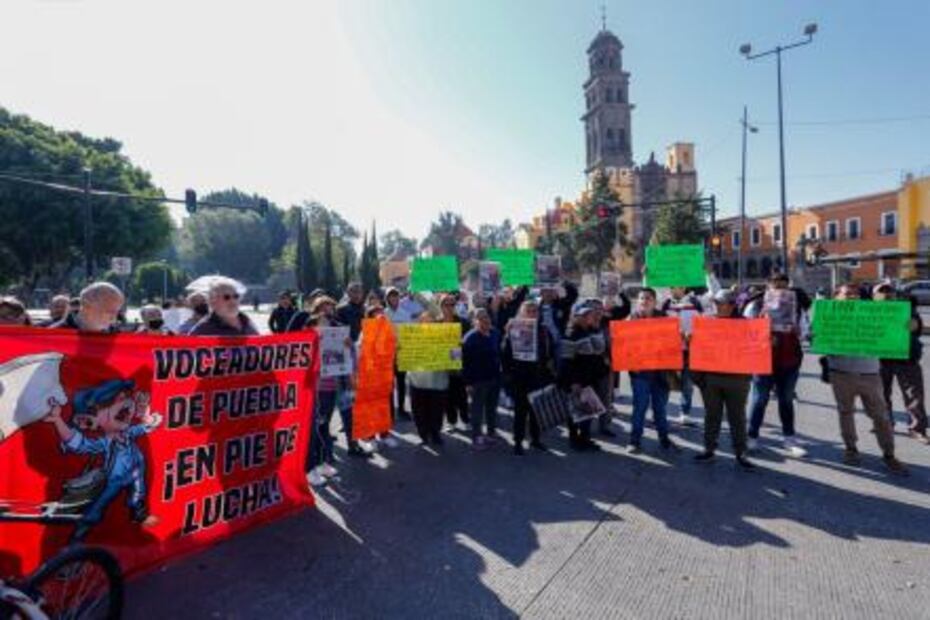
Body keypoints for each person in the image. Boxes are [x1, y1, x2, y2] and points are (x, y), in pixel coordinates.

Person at [825, 284, 908, 475]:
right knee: (846, 412)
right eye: (848, 293)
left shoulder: (872, 313)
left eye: (855, 293)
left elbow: (895, 332)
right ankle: (851, 449)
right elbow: (814, 338)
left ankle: (889, 455)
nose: (853, 295)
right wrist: (816, 336)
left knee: (881, 416)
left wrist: (907, 326)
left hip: (871, 373)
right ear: (836, 296)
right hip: (841, 373)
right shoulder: (827, 314)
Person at [691, 290, 754, 469]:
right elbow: (699, 349)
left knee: (737, 417)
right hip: (711, 379)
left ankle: (741, 452)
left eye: (720, 303)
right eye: (716, 303)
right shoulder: (708, 323)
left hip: (737, 380)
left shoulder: (745, 325)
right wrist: (699, 378)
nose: (717, 306)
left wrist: (767, 341)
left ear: (732, 305)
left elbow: (756, 347)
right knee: (712, 416)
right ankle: (709, 449)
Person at [745, 273, 806, 457]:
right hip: (763, 360)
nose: (779, 289)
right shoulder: (754, 305)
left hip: (789, 361)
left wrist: (799, 331)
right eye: (775, 285)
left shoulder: (797, 307)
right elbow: (744, 332)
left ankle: (789, 439)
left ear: (788, 287)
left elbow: (806, 333)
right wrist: (763, 337)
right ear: (768, 286)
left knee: (786, 400)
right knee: (759, 399)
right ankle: (751, 437)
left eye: (783, 286)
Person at [874, 282, 929, 444]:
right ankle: (886, 425)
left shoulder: (905, 309)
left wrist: (906, 319)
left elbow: (916, 329)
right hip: (880, 359)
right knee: (881, 395)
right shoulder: (868, 312)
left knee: (914, 396)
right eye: (881, 292)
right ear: (873, 296)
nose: (886, 295)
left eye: (889, 291)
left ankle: (917, 429)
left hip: (906, 358)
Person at [626, 288, 676, 454]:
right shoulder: (631, 319)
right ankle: (634, 441)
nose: (644, 301)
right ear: (637, 301)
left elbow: (672, 342)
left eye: (648, 298)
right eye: (641, 298)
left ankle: (664, 439)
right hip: (640, 373)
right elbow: (623, 344)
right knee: (639, 407)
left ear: (654, 301)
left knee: (660, 408)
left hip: (660, 373)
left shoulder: (664, 319)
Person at [502, 300, 554, 455]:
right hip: (519, 377)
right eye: (529, 311)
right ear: (522, 312)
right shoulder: (514, 328)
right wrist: (507, 334)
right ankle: (518, 442)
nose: (532, 313)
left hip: (538, 377)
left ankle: (536, 440)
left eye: (535, 311)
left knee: (536, 411)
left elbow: (549, 353)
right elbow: (505, 354)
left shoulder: (544, 330)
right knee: (520, 412)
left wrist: (549, 374)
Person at [558, 301, 606, 452]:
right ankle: (574, 440)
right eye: (584, 315)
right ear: (576, 316)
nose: (588, 317)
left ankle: (585, 439)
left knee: (589, 411)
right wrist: (573, 382)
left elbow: (600, 351)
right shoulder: (570, 333)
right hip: (577, 380)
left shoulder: (592, 330)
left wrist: (597, 330)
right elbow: (566, 362)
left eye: (590, 314)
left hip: (591, 378)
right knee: (576, 412)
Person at [661, 287, 703, 426]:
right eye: (672, 285)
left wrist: (710, 276)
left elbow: (705, 321)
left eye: (679, 284)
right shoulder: (665, 303)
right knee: (665, 382)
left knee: (687, 383)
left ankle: (685, 414)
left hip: (689, 350)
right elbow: (647, 301)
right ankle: (660, 414)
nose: (676, 287)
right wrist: (645, 276)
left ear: (685, 286)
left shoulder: (695, 302)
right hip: (669, 350)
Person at [408, 309, 450, 447]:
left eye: (431, 320)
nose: (428, 323)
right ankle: (423, 435)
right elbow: (404, 353)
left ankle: (436, 434)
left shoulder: (444, 335)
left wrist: (455, 353)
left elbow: (454, 354)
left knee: (437, 410)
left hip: (438, 381)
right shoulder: (411, 335)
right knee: (419, 410)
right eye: (425, 320)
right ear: (420, 322)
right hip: (417, 381)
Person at [462, 308, 502, 450]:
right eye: (480, 317)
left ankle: (491, 434)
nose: (485, 319)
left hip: (495, 378)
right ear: (474, 321)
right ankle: (476, 437)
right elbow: (464, 363)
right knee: (477, 410)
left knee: (492, 409)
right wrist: (468, 383)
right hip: (478, 381)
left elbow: (500, 352)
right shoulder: (469, 338)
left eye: (486, 316)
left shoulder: (495, 333)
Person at [384, 288, 420, 420]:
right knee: (389, 383)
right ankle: (390, 411)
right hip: (387, 354)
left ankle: (402, 409)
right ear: (387, 298)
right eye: (391, 296)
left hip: (402, 352)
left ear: (399, 298)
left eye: (396, 296)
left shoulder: (405, 314)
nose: (394, 299)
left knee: (401, 382)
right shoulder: (383, 314)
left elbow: (409, 332)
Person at [439, 293, 471, 428]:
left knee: (461, 394)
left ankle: (465, 419)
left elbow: (469, 343)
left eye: (452, 304)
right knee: (447, 395)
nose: (450, 307)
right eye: (446, 304)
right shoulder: (436, 323)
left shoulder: (463, 322)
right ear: (441, 307)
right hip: (443, 363)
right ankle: (451, 421)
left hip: (459, 363)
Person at [190, 278, 259, 336]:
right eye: (226, 297)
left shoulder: (247, 323)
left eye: (236, 296)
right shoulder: (203, 331)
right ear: (212, 302)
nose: (233, 301)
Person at [53, 282, 124, 333]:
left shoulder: (115, 335)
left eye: (117, 313)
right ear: (87, 307)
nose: (114, 319)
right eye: (109, 312)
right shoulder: (56, 334)